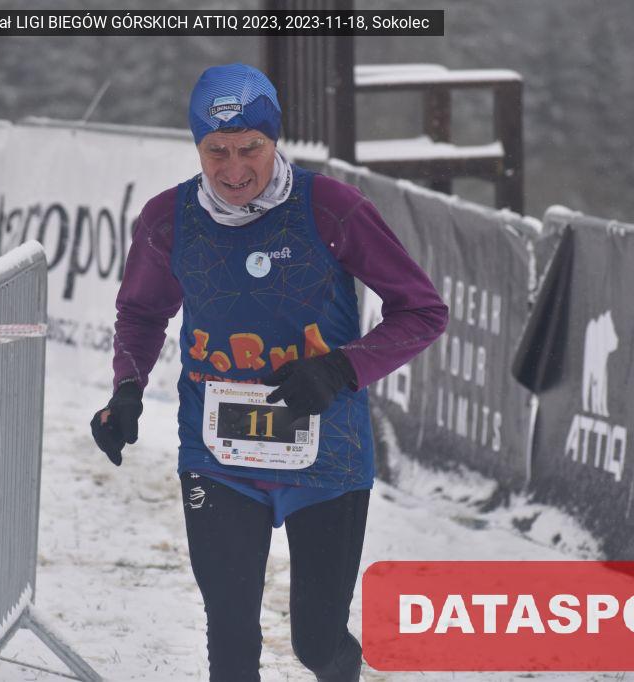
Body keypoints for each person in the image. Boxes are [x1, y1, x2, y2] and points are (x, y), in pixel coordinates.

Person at [91, 63, 448, 682]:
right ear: (197, 147)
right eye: (216, 151)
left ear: (274, 140)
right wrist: (127, 388)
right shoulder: (168, 219)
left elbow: (422, 311)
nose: (234, 170)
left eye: (249, 148)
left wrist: (339, 369)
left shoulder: (331, 209)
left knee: (317, 644)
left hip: (326, 454)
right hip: (217, 454)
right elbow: (142, 313)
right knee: (231, 643)